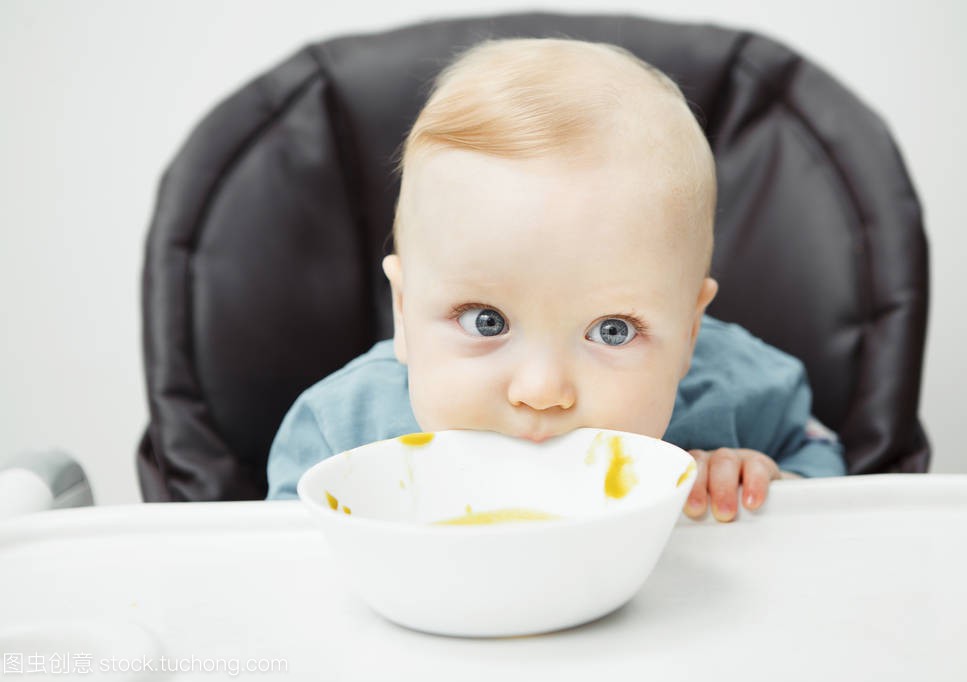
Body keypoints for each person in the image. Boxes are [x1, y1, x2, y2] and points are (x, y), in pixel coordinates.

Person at [266, 37, 845, 521]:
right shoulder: (338, 435)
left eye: (613, 330)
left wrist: (766, 480)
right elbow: (276, 570)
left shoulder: (742, 394)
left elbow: (829, 472)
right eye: (485, 321)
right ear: (404, 310)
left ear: (691, 330)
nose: (541, 390)